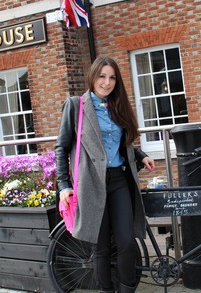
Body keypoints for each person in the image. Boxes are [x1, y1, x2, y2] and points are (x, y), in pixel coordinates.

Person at [55, 56, 155, 293]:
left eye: (112, 77)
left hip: (119, 180)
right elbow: (61, 147)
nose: (107, 82)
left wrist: (140, 155)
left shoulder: (117, 105)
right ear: (93, 77)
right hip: (91, 183)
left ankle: (127, 289)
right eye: (102, 76)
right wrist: (63, 185)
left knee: (127, 242)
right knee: (100, 248)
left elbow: (120, 142)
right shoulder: (76, 106)